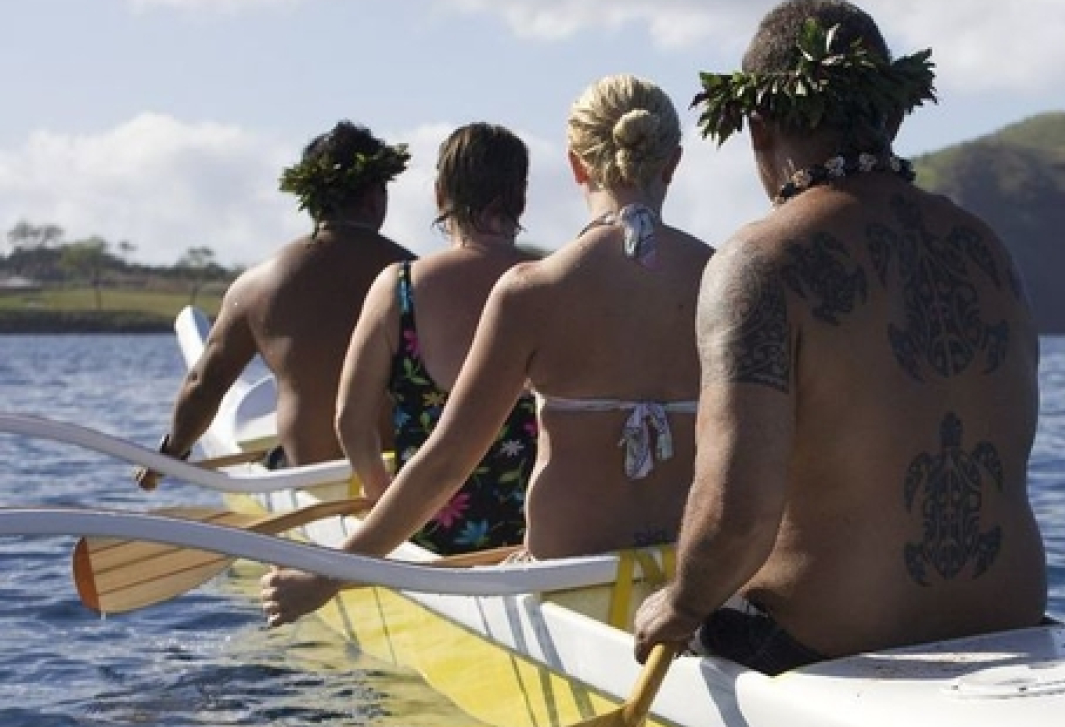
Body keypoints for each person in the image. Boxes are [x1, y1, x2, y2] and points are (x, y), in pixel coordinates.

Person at [632, 0, 1047, 674]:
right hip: (1012, 617)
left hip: (829, 642)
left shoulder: (759, 262)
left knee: (686, 608)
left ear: (758, 127)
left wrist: (680, 605)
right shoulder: (986, 249)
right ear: (893, 116)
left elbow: (737, 515)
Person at [262, 75, 711, 626]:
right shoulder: (726, 276)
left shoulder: (533, 291)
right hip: (690, 574)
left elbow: (446, 464)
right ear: (673, 163)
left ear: (576, 166)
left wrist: (324, 578)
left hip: (566, 583)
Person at [137, 121, 413, 487]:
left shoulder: (258, 286)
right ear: (375, 197)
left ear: (310, 199)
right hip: (406, 482)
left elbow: (205, 383)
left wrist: (169, 455)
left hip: (312, 482)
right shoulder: (420, 276)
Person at [334, 123, 538, 555]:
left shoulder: (399, 288)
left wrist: (379, 495)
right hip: (538, 535)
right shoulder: (554, 283)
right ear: (521, 198)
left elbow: (351, 420)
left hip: (425, 533)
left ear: (440, 194)